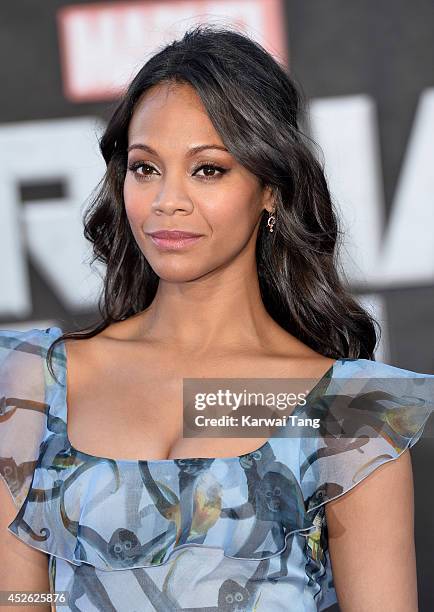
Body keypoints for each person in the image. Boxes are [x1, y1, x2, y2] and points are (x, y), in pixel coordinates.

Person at [1, 24, 433, 612]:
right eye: (145, 167)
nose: (166, 200)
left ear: (271, 189)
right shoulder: (34, 380)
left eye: (208, 169)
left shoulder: (347, 413)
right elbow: (20, 596)